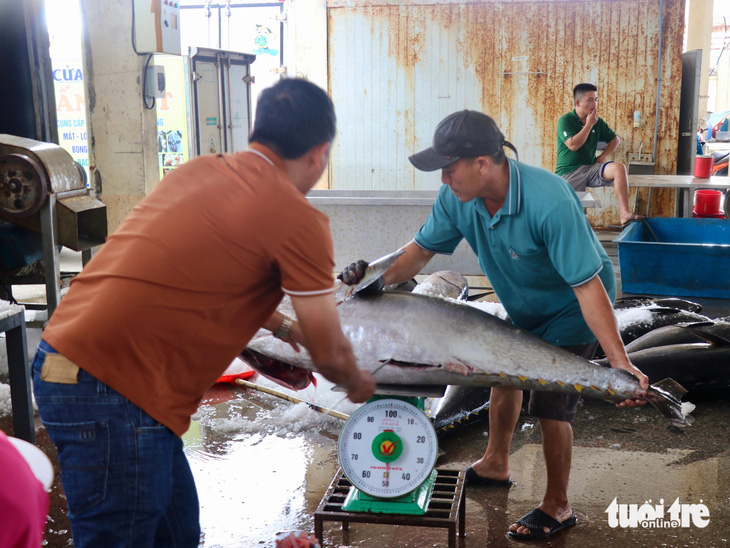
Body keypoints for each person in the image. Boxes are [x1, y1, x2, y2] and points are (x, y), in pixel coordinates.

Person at [31, 78, 376, 547]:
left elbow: (200, 270)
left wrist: (280, 324)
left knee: (176, 533)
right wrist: (361, 382)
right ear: (319, 153)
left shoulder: (197, 172)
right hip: (114, 387)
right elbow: (329, 348)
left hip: (72, 361)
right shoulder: (298, 217)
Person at [339, 110, 648, 540]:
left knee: (551, 401)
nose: (444, 179)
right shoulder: (458, 199)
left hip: (574, 305)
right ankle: (496, 462)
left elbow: (586, 285)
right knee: (502, 375)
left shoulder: (549, 200)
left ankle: (557, 505)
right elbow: (420, 252)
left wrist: (620, 361)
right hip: (523, 301)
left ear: (483, 163)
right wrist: (372, 279)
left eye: (449, 169)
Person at [555, 83, 644, 226]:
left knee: (619, 168)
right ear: (578, 102)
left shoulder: (597, 121)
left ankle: (624, 214)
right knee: (575, 216)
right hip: (569, 172)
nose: (594, 104)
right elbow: (573, 145)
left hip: (590, 168)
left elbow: (615, 140)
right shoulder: (565, 120)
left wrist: (601, 158)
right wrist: (589, 125)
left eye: (595, 99)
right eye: (590, 100)